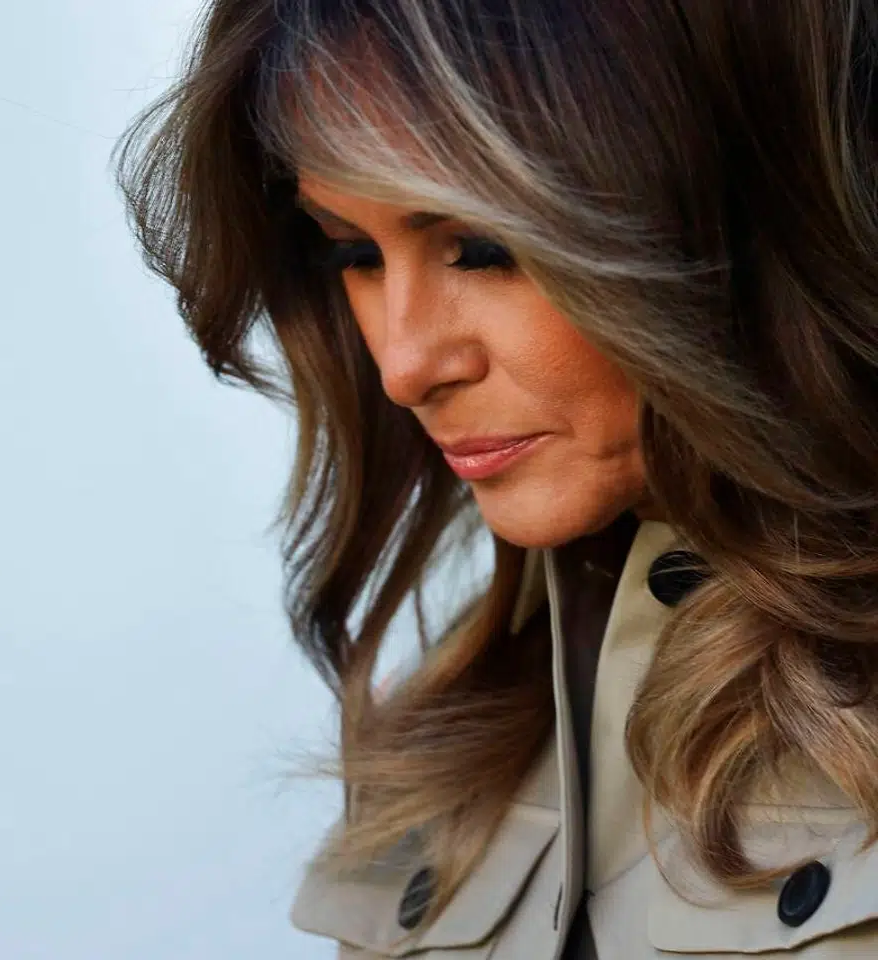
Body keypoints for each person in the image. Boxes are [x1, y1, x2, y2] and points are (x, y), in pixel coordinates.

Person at [114, 1, 878, 957]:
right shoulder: (458, 766)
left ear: (745, 202)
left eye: (483, 248)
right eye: (353, 254)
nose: (405, 364)